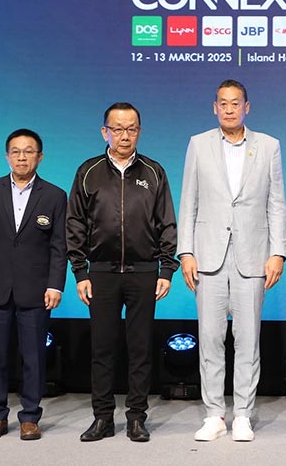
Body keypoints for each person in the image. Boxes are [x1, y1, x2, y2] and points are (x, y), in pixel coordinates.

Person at [178, 79, 286, 442]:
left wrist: (277, 252)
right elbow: (189, 200)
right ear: (215, 108)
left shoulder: (268, 146)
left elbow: (276, 202)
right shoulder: (199, 144)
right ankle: (214, 414)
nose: (229, 109)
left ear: (246, 107)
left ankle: (242, 414)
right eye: (222, 103)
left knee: (247, 340)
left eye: (235, 103)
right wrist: (186, 251)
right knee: (210, 339)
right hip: (208, 256)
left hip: (252, 256)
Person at [66, 102, 178, 443]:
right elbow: (75, 223)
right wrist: (80, 272)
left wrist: (166, 269)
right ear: (105, 132)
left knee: (140, 348)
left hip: (144, 272)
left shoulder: (154, 172)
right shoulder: (88, 172)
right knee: (102, 349)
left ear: (139, 132)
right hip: (101, 273)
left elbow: (166, 222)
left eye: (131, 129)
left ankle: (136, 418)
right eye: (117, 129)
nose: (124, 135)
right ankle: (102, 418)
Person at [0, 128, 67, 441]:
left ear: (40, 157)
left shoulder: (54, 195)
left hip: (36, 290)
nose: (22, 157)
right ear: (7, 156)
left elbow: (59, 246)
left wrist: (55, 285)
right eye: (16, 151)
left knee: (33, 357)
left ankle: (30, 417)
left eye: (29, 151)